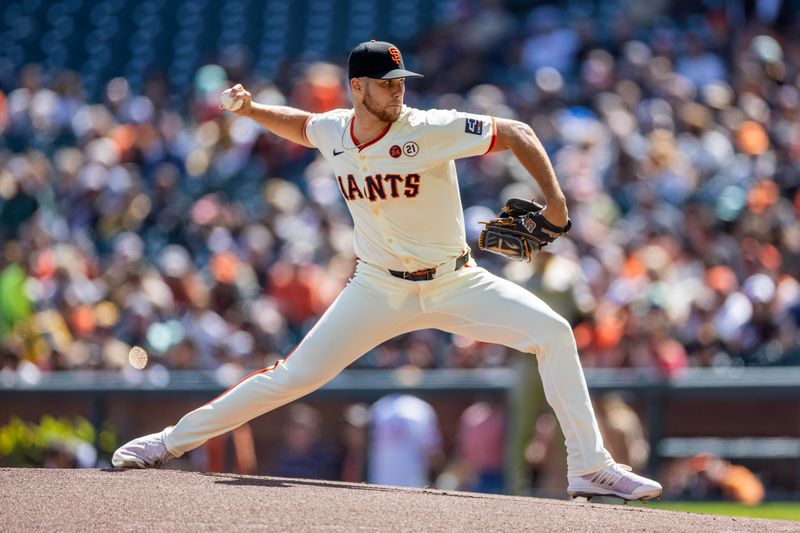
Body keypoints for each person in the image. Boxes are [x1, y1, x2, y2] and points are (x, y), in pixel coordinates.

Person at [112, 40, 662, 501]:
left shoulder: (428, 128)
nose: (399, 91)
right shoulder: (335, 131)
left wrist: (557, 202)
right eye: (387, 83)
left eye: (402, 82)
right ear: (358, 88)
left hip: (453, 280)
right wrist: (252, 110)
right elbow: (303, 125)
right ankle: (169, 442)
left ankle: (588, 466)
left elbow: (517, 132)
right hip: (376, 287)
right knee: (291, 378)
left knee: (554, 332)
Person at [367, 394, 443, 488]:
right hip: (411, 485)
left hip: (380, 485)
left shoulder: (378, 407)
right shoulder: (420, 408)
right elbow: (433, 454)